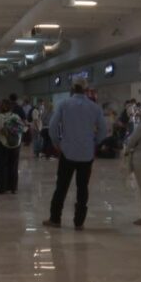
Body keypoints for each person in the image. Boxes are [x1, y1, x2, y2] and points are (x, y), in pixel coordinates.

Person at [42, 77, 106, 231]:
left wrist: (57, 144)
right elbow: (103, 130)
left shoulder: (64, 104)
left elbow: (52, 127)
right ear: (86, 89)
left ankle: (55, 218)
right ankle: (79, 222)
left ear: (72, 88)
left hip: (67, 152)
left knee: (62, 186)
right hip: (86, 154)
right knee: (82, 188)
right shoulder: (95, 108)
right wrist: (94, 143)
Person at [0, 99, 25, 194]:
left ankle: (2, 188)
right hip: (15, 144)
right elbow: (22, 128)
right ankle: (13, 188)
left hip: (1, 144)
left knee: (1, 167)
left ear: (3, 107)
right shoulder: (16, 117)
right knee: (13, 166)